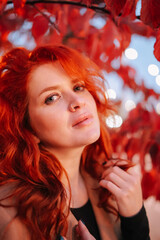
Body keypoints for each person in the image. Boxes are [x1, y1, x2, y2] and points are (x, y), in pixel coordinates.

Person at [0, 44, 150, 240]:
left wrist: (135, 218)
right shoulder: (8, 212)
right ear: (28, 129)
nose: (77, 101)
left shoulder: (109, 187)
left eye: (78, 87)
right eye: (51, 98)